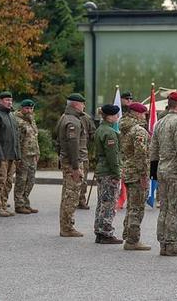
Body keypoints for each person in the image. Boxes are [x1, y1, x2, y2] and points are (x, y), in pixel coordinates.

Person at [151, 91, 177, 256]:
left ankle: (163, 242)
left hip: (162, 170)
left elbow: (153, 149)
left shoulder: (160, 122)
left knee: (165, 208)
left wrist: (153, 171)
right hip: (175, 171)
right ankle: (172, 243)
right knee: (174, 209)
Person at [120, 102, 151, 250]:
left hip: (128, 170)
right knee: (137, 208)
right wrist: (144, 175)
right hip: (137, 173)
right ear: (138, 114)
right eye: (144, 114)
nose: (145, 116)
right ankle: (133, 240)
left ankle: (127, 234)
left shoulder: (124, 127)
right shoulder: (139, 131)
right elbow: (141, 155)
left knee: (132, 206)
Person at [56, 93, 86, 237]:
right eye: (82, 104)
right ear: (75, 104)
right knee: (71, 196)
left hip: (68, 160)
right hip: (73, 162)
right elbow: (73, 145)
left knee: (68, 194)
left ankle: (66, 225)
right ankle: (67, 227)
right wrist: (75, 167)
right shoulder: (72, 121)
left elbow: (58, 142)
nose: (83, 106)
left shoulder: (65, 117)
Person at [93, 104, 123, 244]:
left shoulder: (100, 129)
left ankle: (99, 230)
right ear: (110, 116)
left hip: (101, 169)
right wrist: (117, 173)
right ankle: (106, 232)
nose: (118, 117)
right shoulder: (110, 132)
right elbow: (112, 156)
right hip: (108, 171)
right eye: (116, 115)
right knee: (109, 203)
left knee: (102, 202)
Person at [0, 91, 20, 217]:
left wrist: (17, 154)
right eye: (7, 100)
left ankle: (3, 204)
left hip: (11, 155)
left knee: (7, 182)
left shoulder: (11, 115)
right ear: (0, 101)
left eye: (11, 100)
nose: (9, 102)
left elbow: (16, 137)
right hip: (1, 155)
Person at [14, 99, 40, 214]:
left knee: (31, 180)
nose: (29, 110)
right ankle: (19, 204)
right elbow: (17, 141)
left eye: (31, 108)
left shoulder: (31, 120)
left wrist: (38, 152)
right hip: (23, 155)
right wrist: (17, 157)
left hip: (32, 155)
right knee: (21, 180)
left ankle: (25, 202)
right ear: (21, 108)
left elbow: (35, 137)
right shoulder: (18, 121)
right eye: (27, 108)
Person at [77, 110, 96, 210]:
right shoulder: (66, 117)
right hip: (71, 155)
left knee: (83, 180)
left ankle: (81, 200)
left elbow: (93, 134)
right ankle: (71, 201)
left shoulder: (86, 118)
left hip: (83, 153)